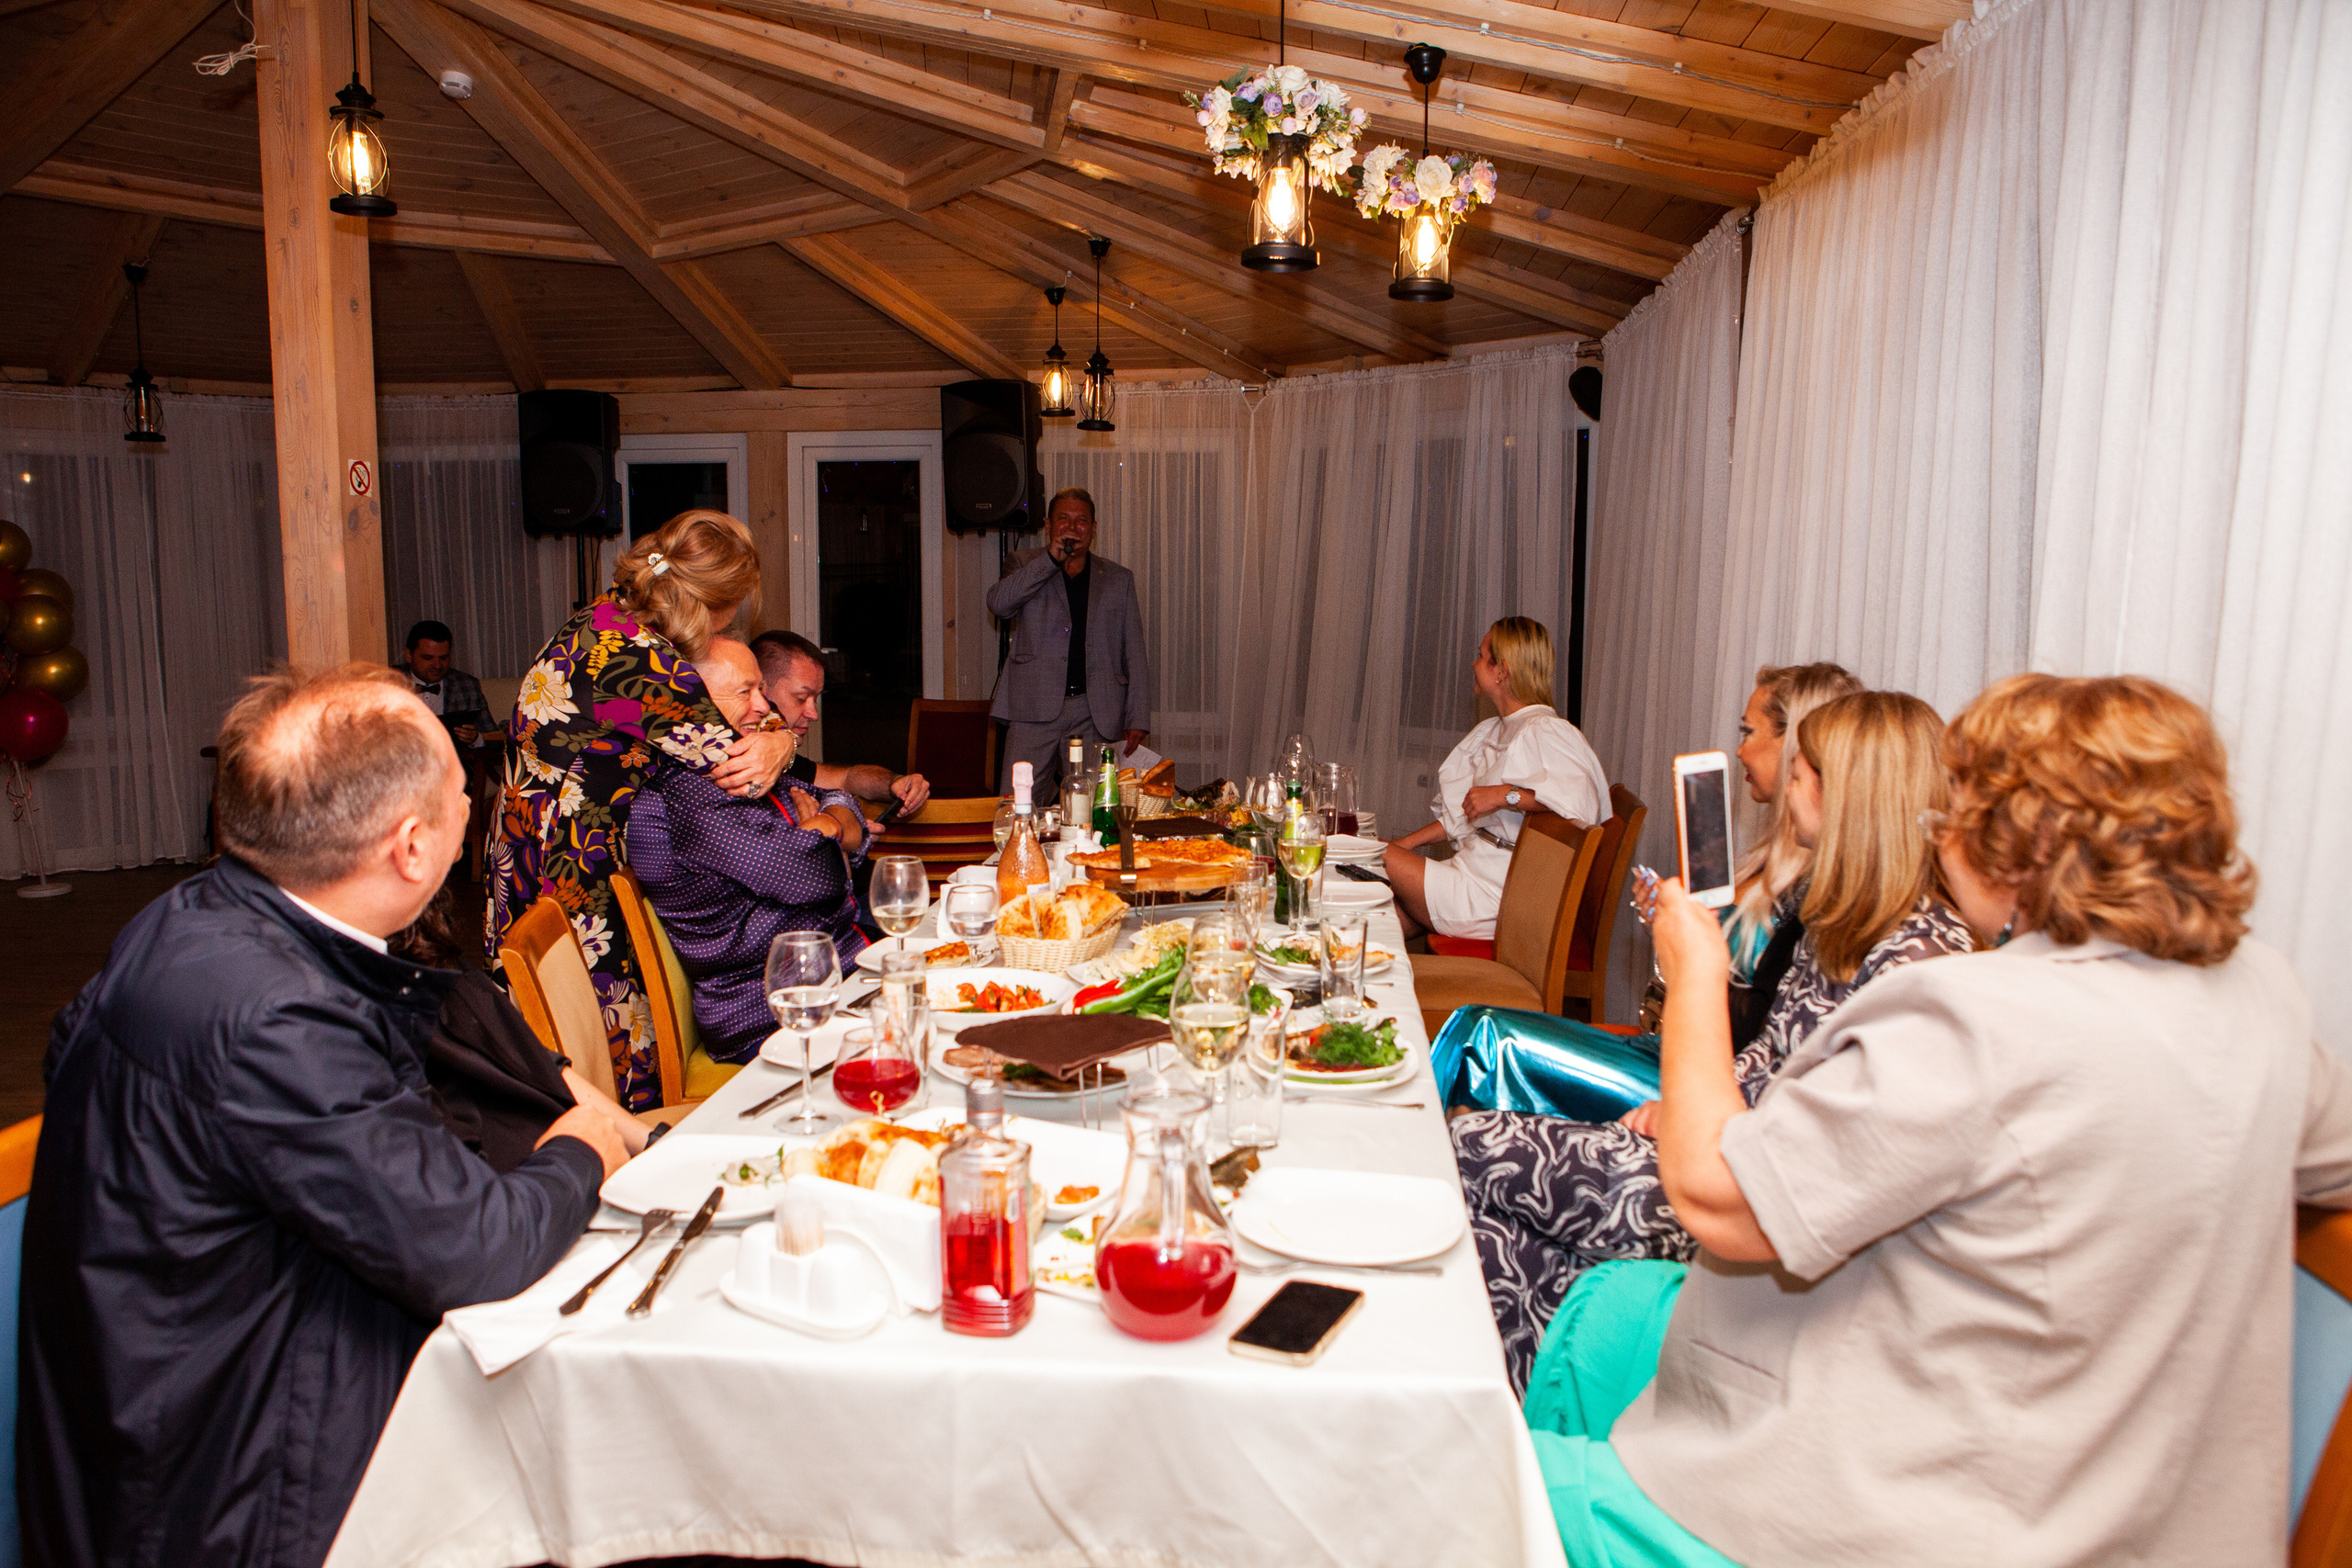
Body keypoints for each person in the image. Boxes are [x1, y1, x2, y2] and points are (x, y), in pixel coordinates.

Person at [1525, 673, 2352, 1568]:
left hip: (1914, 1517)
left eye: (1959, 808)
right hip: (2138, 1515)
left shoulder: (1971, 1017)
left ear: (2018, 845)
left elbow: (1715, 1199)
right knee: (1608, 1321)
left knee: (1458, 1480)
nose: (1941, 830)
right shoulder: (2262, 998)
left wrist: (1692, 971)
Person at [18, 664, 628, 1568]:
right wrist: (582, 1147)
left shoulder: (197, 917)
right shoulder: (273, 1012)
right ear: (413, 847)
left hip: (179, 1378)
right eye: (468, 795)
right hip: (221, 1475)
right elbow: (474, 1249)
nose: (479, 810)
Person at [1450, 691, 1973, 1391]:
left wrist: (1697, 982)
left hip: (1747, 1204)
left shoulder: (1917, 961)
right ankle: (1500, 1408)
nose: (1789, 778)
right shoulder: (1843, 917)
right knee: (1484, 1221)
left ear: (1852, 793)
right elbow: (1767, 1063)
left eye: (1805, 768)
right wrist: (1676, 1113)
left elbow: (1824, 1156)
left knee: (1468, 1148)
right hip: (1726, 1155)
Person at [1430, 661, 1864, 1122]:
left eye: (1749, 731)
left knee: (1487, 1040)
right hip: (1671, 1048)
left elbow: (1749, 1030)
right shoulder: (1767, 861)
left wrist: (1688, 946)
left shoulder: (1809, 893)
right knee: (1477, 1026)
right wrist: (1672, 923)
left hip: (1698, 1079)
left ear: (1793, 744)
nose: (1738, 750)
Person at [487, 510, 797, 1111]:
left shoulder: (600, 621)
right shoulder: (643, 663)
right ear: (713, 603)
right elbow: (743, 769)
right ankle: (617, 1163)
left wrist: (778, 741)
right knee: (601, 1053)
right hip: (573, 868)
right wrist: (781, 743)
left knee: (548, 1046)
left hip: (525, 847)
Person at [628, 637, 871, 1061]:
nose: (763, 706)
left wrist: (825, 824)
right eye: (746, 691)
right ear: (694, 700)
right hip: (765, 1012)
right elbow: (818, 878)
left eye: (762, 690)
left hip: (831, 977)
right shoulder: (688, 791)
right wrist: (835, 846)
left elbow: (844, 806)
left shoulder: (737, 764)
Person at [1385, 618, 1610, 942]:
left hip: (1498, 894)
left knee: (1364, 854)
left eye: (1481, 655)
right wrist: (1406, 844)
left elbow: (1580, 806)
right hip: (1472, 872)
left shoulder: (1547, 730)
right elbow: (1463, 814)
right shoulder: (1494, 729)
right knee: (1378, 919)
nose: (1474, 664)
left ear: (1501, 671)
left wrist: (1506, 794)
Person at [987, 485, 1152, 799]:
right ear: (1049, 525)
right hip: (1031, 709)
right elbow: (999, 604)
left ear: (1093, 528)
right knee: (1017, 804)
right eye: (1063, 519)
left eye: (1081, 520)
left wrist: (1137, 716)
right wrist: (1051, 559)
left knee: (1091, 808)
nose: (1073, 527)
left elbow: (1134, 649)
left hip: (1096, 711)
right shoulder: (1024, 563)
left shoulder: (1118, 578)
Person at [750, 629, 933, 841]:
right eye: (801, 698)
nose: (813, 714)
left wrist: (894, 784)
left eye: (816, 699)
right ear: (760, 693)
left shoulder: (785, 761)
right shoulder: (729, 764)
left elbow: (846, 778)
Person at [396, 618, 494, 748]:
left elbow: (493, 739)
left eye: (444, 658)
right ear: (409, 655)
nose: (437, 665)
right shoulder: (388, 684)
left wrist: (475, 738)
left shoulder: (466, 685)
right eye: (428, 658)